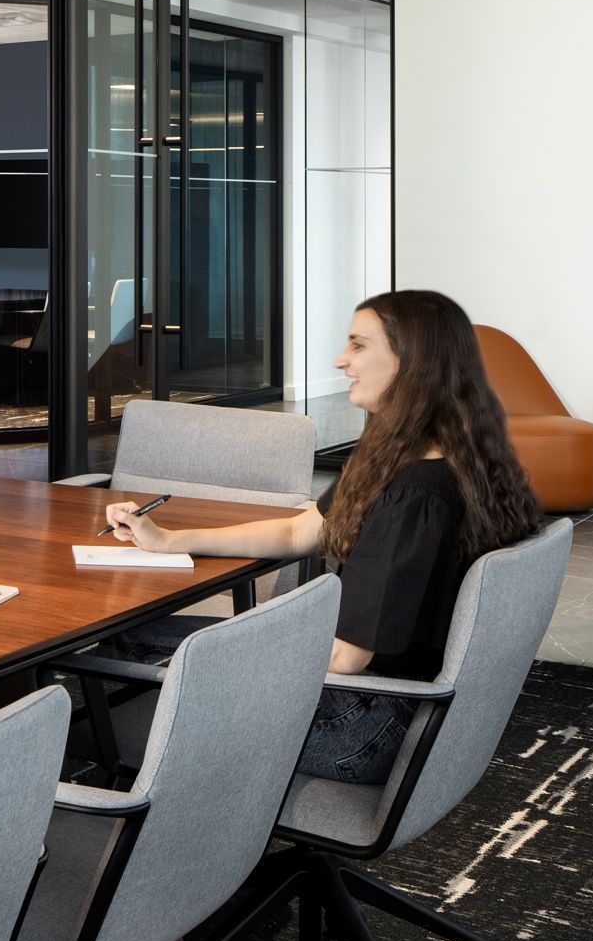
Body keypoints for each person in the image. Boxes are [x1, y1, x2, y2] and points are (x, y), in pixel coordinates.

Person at [101, 289, 546, 786]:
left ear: (411, 362)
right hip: (385, 699)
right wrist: (169, 539)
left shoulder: (415, 494)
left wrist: (241, 654)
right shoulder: (432, 452)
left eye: (358, 345)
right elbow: (301, 528)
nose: (341, 360)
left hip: (361, 722)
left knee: (128, 668)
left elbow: (344, 658)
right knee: (147, 640)